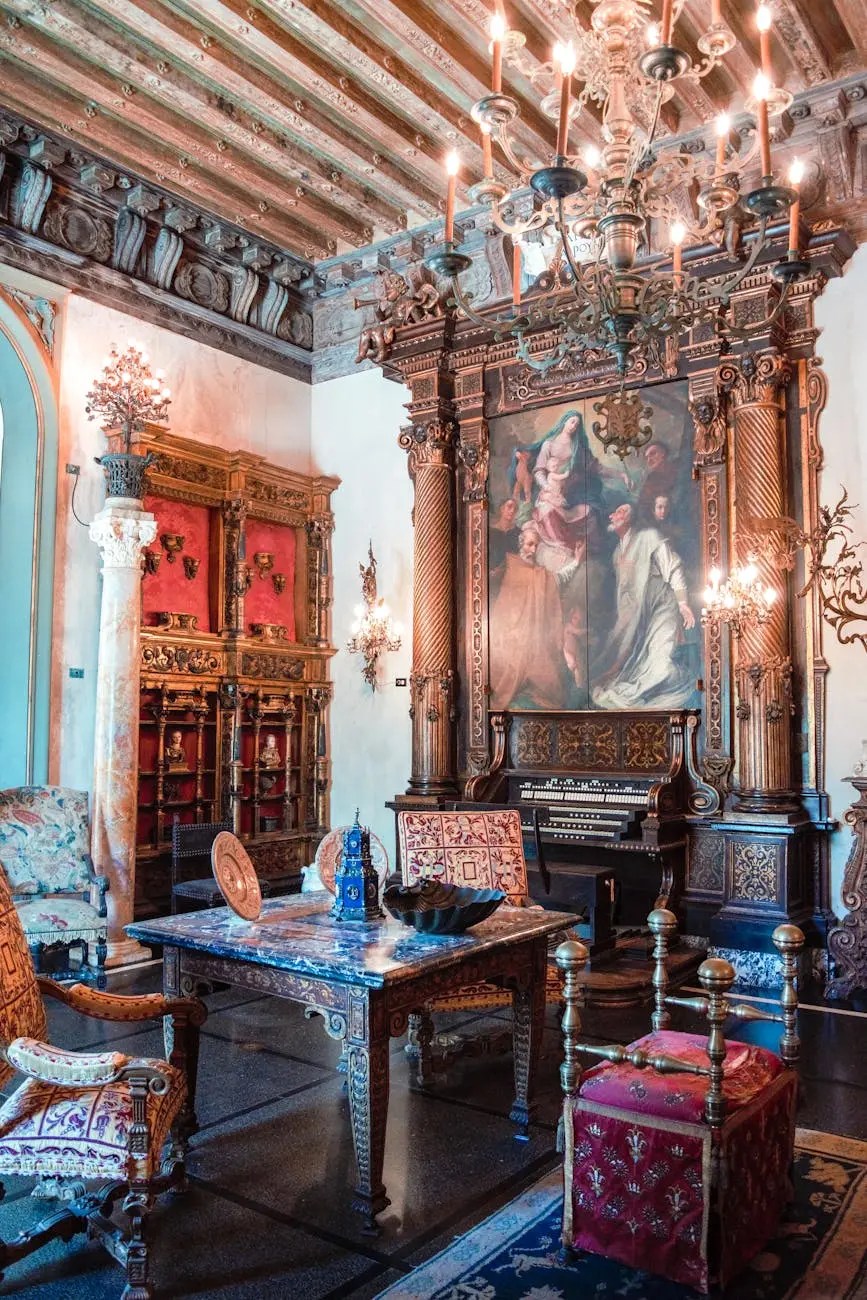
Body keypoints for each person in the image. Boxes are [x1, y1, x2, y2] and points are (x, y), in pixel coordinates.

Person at [592, 501, 697, 710]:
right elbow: (625, 593)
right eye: (616, 511)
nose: (617, 514)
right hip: (641, 618)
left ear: (630, 518)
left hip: (663, 607)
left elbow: (673, 568)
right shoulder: (617, 553)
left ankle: (691, 680)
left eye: (623, 511)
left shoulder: (649, 537)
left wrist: (683, 604)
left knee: (662, 667)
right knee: (630, 667)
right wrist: (625, 623)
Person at [489, 523, 569, 709]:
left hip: (531, 637)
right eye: (529, 544)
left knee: (551, 685)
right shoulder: (510, 565)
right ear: (521, 544)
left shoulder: (540, 574)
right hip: (505, 633)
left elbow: (558, 579)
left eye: (536, 546)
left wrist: (576, 562)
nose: (533, 550)